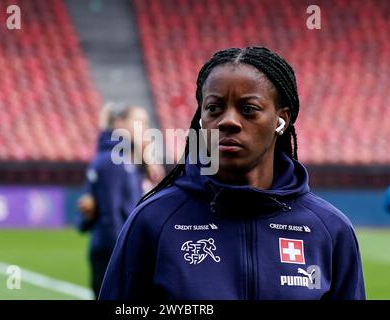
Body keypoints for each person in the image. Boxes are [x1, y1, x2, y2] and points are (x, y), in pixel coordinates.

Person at [99, 47, 365, 300]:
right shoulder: (153, 220)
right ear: (202, 119)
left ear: (281, 120)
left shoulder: (330, 230)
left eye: (248, 108)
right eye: (214, 108)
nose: (228, 121)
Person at [76, 102, 164, 297]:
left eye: (146, 123)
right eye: (139, 122)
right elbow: (112, 219)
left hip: (116, 250)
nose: (145, 128)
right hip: (114, 253)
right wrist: (127, 257)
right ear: (119, 124)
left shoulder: (126, 159)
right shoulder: (113, 160)